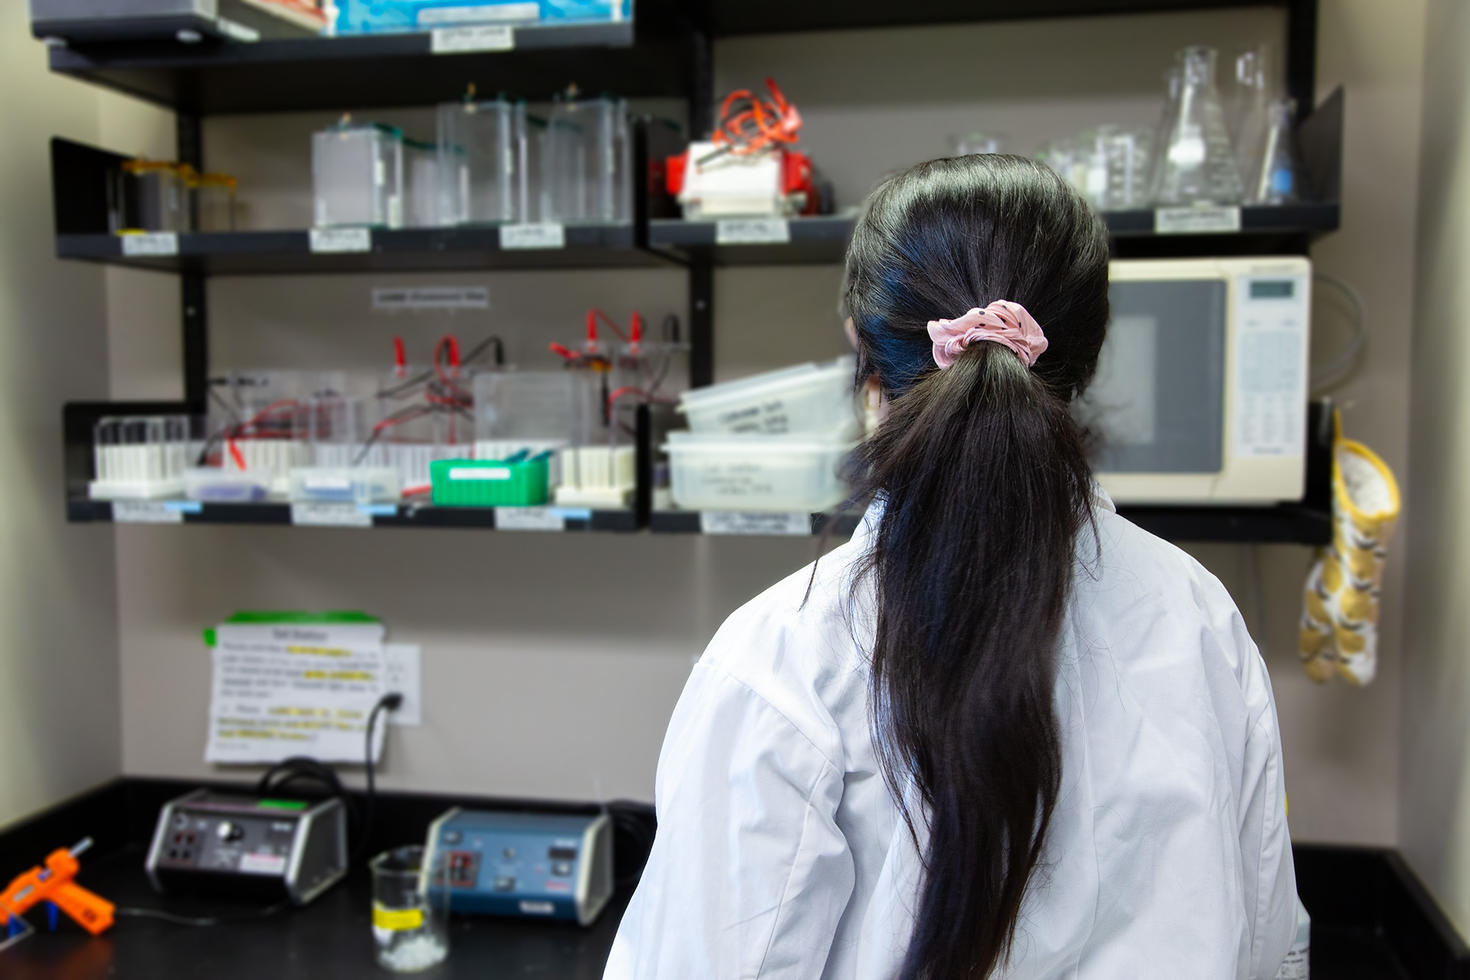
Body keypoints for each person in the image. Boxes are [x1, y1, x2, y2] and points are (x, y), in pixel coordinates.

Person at [604, 155, 1297, 979]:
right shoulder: (1202, 619)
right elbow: (1267, 942)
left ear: (865, 361)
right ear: (1084, 362)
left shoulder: (781, 661)